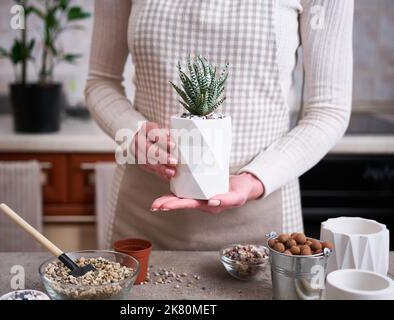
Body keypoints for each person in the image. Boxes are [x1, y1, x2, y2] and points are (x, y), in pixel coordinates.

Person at [85, 0, 353, 250]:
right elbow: (100, 82)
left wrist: (255, 180)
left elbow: (329, 109)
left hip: (263, 220)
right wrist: (131, 133)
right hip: (144, 217)